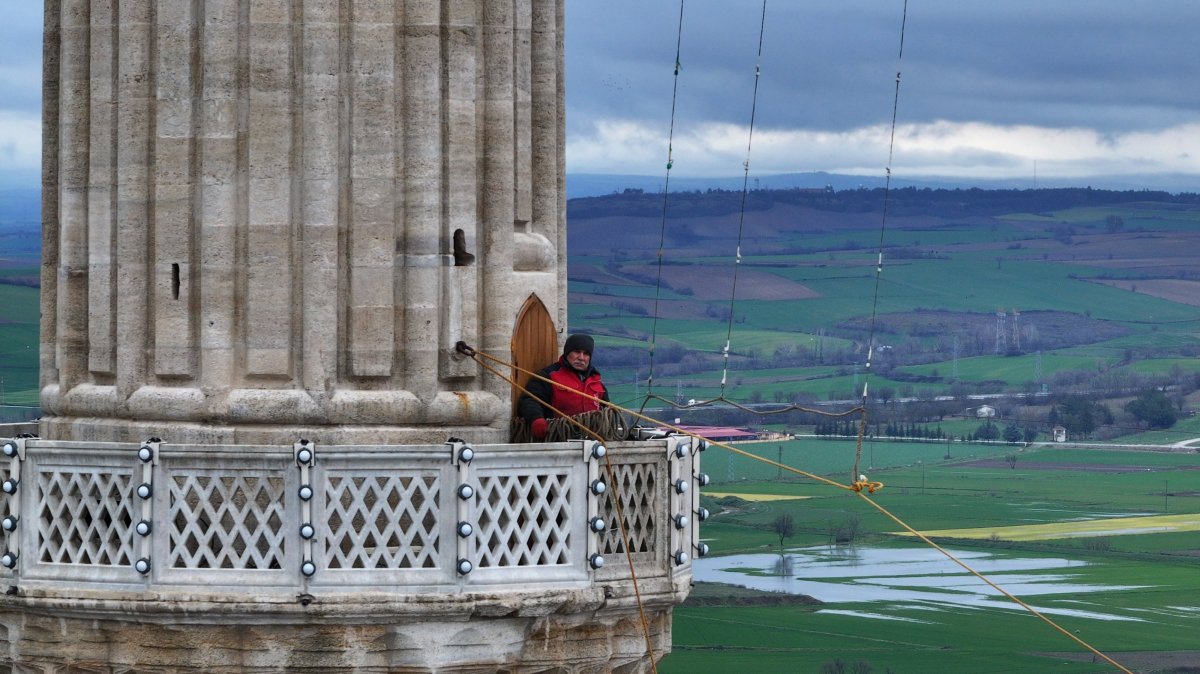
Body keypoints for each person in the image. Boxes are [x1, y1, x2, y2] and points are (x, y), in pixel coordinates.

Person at [518, 333, 609, 441]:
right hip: (557, 439)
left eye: (586, 354)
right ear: (567, 353)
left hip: (592, 440)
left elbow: (607, 410)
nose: (581, 358)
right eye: (576, 352)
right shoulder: (548, 376)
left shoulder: (596, 381)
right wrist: (536, 419)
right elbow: (530, 399)